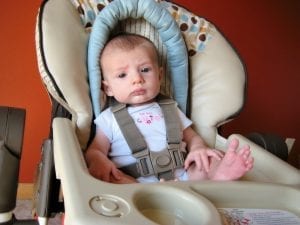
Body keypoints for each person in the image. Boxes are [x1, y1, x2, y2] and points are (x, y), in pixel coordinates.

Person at [85, 33, 253, 184]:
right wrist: (98, 160)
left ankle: (221, 173)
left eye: (145, 70)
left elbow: (192, 137)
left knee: (208, 159)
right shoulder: (109, 118)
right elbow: (96, 149)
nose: (137, 79)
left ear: (159, 76)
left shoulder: (171, 108)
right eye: (122, 75)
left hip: (183, 177)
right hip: (133, 183)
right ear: (108, 89)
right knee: (111, 178)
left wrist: (198, 149)